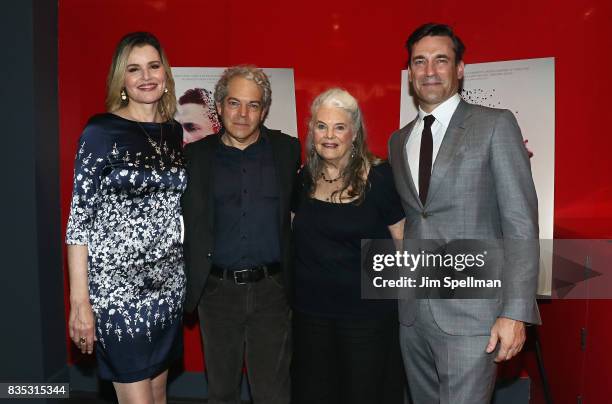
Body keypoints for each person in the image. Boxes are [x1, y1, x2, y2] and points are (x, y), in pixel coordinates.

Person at [388, 23, 541, 403]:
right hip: (412, 315)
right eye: (419, 61)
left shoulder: (495, 125)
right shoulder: (398, 140)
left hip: (475, 317)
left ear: (459, 69)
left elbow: (520, 224)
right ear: (409, 73)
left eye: (441, 60)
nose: (429, 70)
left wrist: (516, 312)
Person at [65, 32, 186, 403]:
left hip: (167, 287)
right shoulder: (100, 132)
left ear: (165, 73)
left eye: (153, 66)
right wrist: (80, 302)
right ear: (122, 79)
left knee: (158, 394)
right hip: (118, 295)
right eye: (134, 69)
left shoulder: (173, 132)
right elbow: (78, 222)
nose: (146, 76)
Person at [181, 65, 300, 404]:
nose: (243, 114)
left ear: (264, 110)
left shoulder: (287, 151)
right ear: (219, 106)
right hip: (217, 293)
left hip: (273, 292)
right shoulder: (195, 157)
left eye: (253, 105)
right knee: (221, 392)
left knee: (273, 393)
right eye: (234, 103)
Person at [291, 88, 406, 404]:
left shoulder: (380, 178)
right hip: (309, 315)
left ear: (354, 133)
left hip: (366, 317)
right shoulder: (302, 179)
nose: (329, 135)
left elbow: (403, 243)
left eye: (339, 127)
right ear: (312, 130)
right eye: (321, 126)